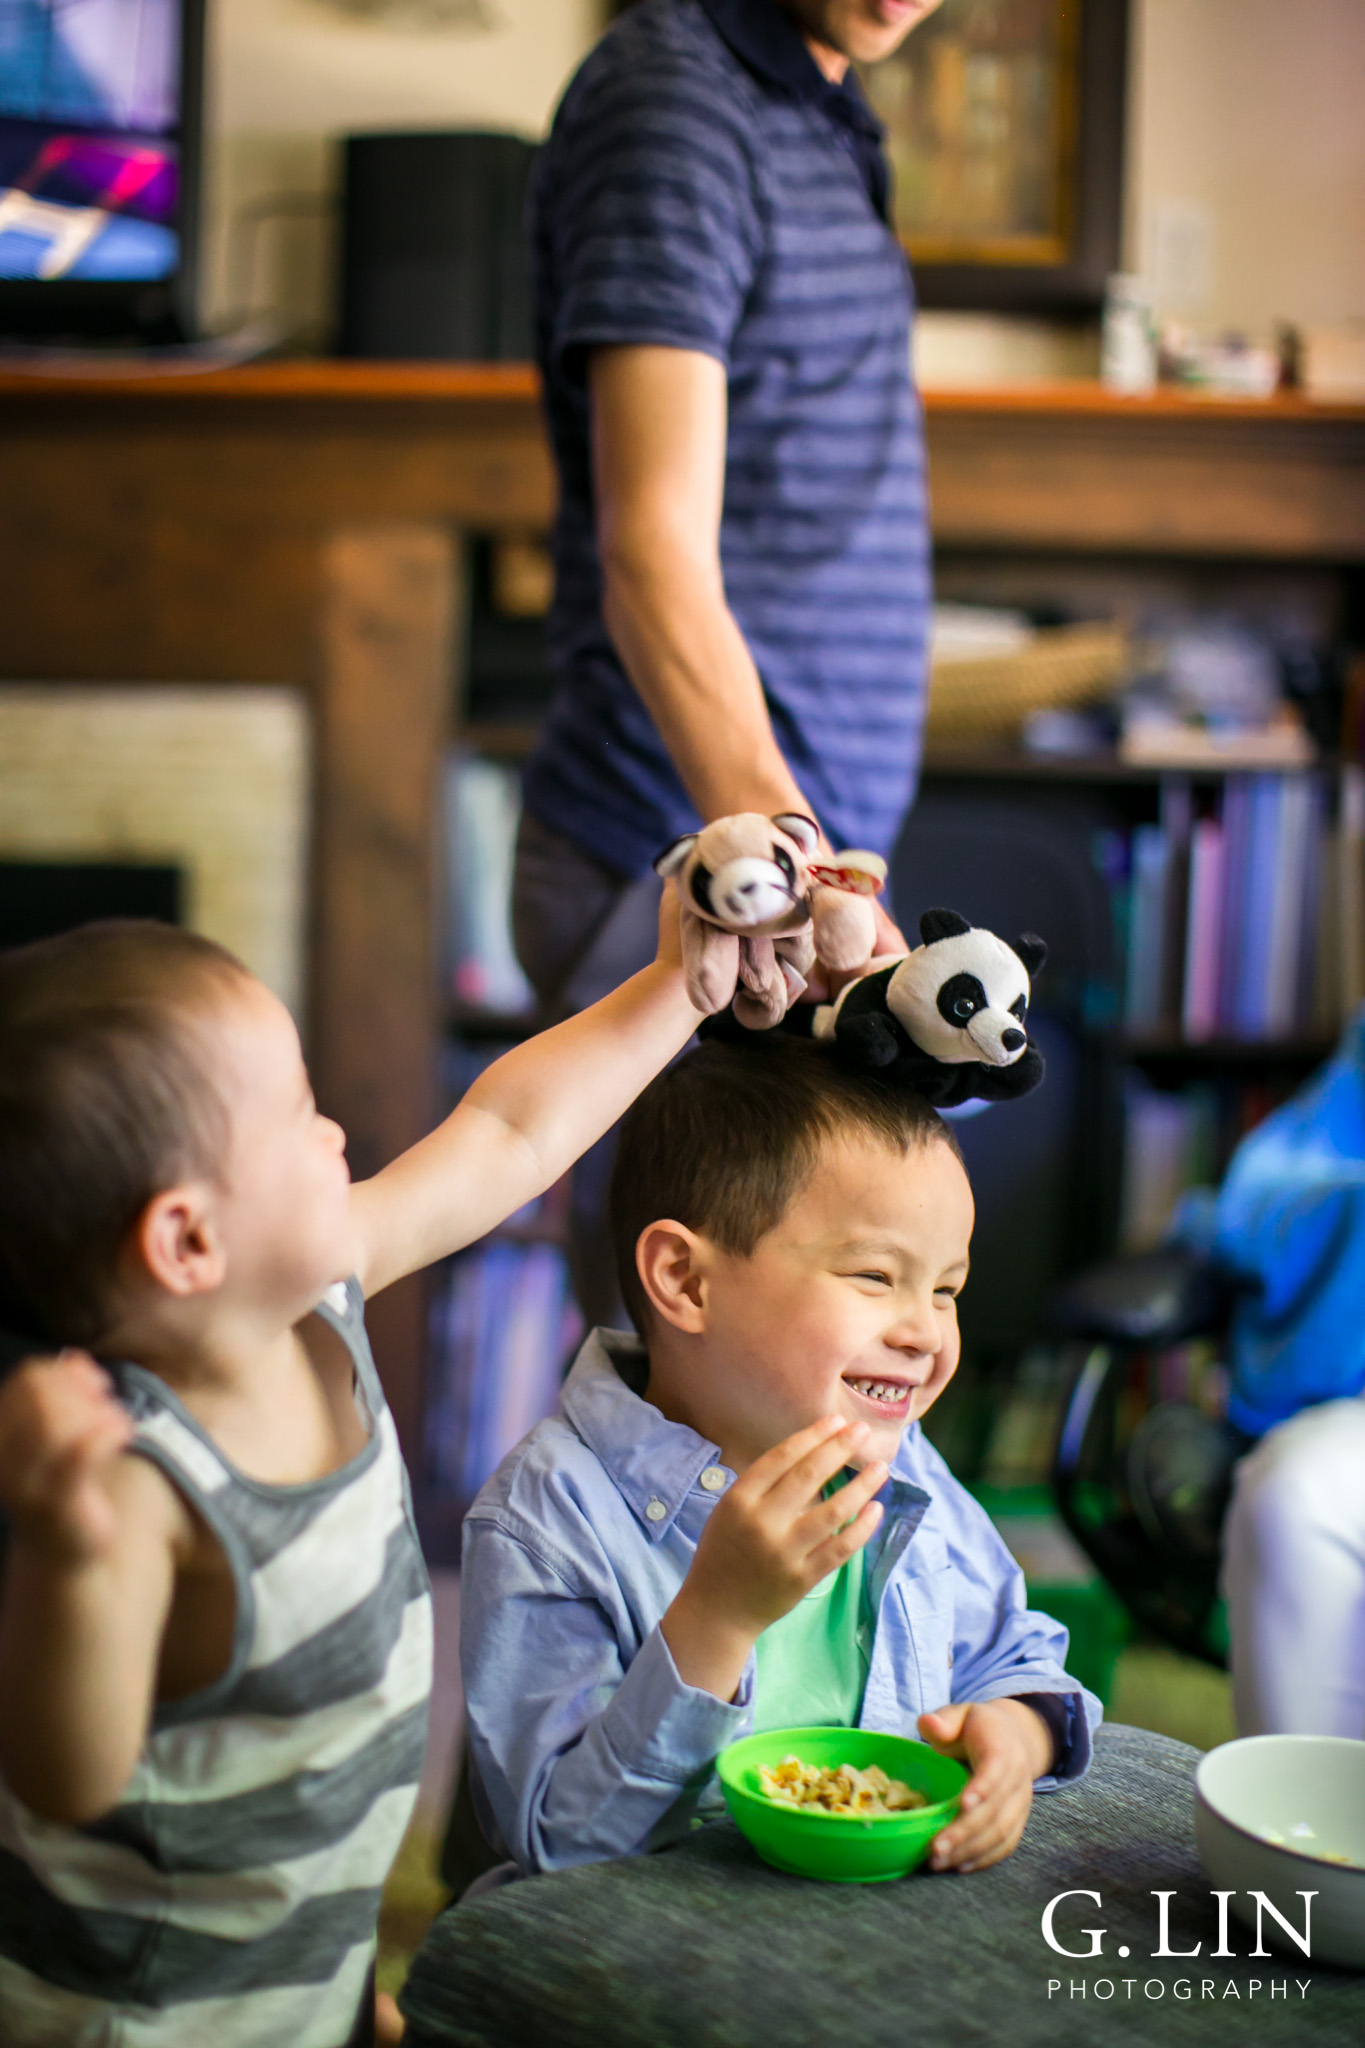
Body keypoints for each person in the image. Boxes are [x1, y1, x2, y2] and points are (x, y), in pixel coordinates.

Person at [0, 909, 705, 2048]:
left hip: (299, 1972)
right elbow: (65, 1775)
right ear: (188, 1242)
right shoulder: (142, 1483)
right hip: (149, 2017)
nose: (333, 1130)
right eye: (293, 1112)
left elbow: (511, 1130)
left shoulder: (317, 1296)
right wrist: (61, 1551)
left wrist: (680, 988)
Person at [515, 0, 943, 1322]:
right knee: (701, 1411)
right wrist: (799, 862)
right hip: (703, 876)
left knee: (789, 1398)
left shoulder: (824, 106)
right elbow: (652, 555)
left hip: (792, 856)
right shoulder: (674, 102)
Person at [460, 1036, 1101, 1876]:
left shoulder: (901, 1464)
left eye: (946, 1289)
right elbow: (559, 1843)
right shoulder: (547, 1518)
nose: (925, 1333)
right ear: (687, 1282)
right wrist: (717, 1618)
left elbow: (1011, 1652)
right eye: (876, 1276)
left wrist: (1014, 1733)